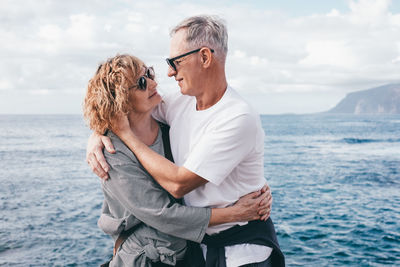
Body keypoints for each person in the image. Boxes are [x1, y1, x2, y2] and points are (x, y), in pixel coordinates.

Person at [87, 16, 284, 266]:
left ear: (204, 57)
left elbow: (178, 184)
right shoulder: (179, 102)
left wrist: (123, 135)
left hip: (242, 251)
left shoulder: (237, 117)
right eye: (145, 77)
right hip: (195, 248)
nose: (167, 73)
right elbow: (121, 108)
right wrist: (98, 134)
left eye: (175, 62)